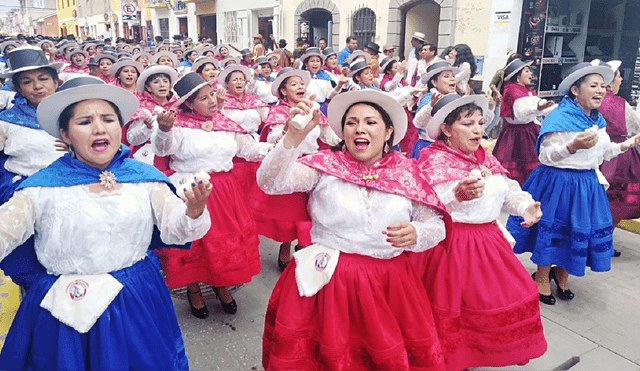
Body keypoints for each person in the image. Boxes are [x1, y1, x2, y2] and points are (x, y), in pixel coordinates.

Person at [0, 76, 212, 369]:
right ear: (65, 134)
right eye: (85, 122)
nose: (99, 128)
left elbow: (175, 229)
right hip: (66, 310)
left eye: (108, 119)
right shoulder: (41, 188)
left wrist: (193, 210)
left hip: (135, 301)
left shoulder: (144, 178)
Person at [258, 89, 449, 370]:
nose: (360, 128)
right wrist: (293, 140)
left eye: (371, 122)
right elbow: (270, 182)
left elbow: (436, 224)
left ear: (388, 132)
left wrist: (417, 233)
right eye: (351, 122)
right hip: (327, 281)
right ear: (343, 132)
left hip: (390, 286)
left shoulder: (408, 172)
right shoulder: (324, 167)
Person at [416, 93, 547, 370]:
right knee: (453, 309)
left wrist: (525, 206)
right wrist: (456, 195)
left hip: (488, 242)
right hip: (452, 246)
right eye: (467, 123)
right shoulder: (433, 160)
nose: (478, 129)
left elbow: (506, 188)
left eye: (479, 122)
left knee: (502, 300)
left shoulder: (484, 158)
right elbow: (421, 207)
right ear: (447, 130)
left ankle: (471, 357)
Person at [506, 63, 640, 305]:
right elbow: (546, 156)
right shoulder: (560, 116)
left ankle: (563, 274)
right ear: (576, 90)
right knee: (553, 229)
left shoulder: (597, 119)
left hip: (587, 184)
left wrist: (625, 145)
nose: (600, 90)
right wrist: (572, 146)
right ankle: (542, 277)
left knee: (576, 231)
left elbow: (601, 153)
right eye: (593, 85)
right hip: (558, 183)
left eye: (602, 86)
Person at [151, 72, 269, 317]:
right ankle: (194, 289)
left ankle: (220, 284)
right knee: (193, 244)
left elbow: (246, 149)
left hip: (225, 191)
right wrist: (163, 130)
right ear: (189, 104)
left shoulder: (224, 123)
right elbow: (163, 149)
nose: (212, 101)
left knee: (222, 243)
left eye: (212, 94)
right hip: (191, 189)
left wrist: (275, 147)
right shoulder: (178, 125)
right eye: (203, 98)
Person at [254, 68, 338, 270]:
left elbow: (328, 135)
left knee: (312, 214)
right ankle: (285, 246)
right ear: (283, 91)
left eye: (301, 83)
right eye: (293, 84)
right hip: (291, 165)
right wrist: (287, 127)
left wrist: (346, 141)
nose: (300, 86)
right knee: (291, 217)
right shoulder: (279, 112)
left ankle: (304, 251)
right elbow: (274, 142)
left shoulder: (314, 108)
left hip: (314, 165)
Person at [599, 60, 640, 252]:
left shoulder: (592, 100)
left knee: (597, 199)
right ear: (609, 81)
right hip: (618, 156)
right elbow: (636, 127)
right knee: (617, 201)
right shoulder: (620, 104)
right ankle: (604, 241)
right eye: (618, 76)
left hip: (595, 154)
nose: (621, 79)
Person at [492, 59, 555, 185]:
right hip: (518, 134)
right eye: (527, 71)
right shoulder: (512, 90)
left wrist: (558, 108)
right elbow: (520, 113)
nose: (531, 74)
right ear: (517, 76)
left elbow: (540, 104)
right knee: (520, 168)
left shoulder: (527, 90)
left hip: (530, 131)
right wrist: (537, 108)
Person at [122, 64, 179, 165]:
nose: (162, 85)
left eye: (165, 81)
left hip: (175, 159)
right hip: (147, 158)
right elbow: (131, 138)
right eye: (156, 82)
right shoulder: (141, 107)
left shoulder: (178, 106)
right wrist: (146, 127)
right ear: (148, 87)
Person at [486, 53, 522, 138]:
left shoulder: (519, 76)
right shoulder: (501, 72)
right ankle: (485, 134)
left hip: (511, 101)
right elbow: (492, 84)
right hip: (500, 99)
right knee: (495, 120)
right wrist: (497, 93)